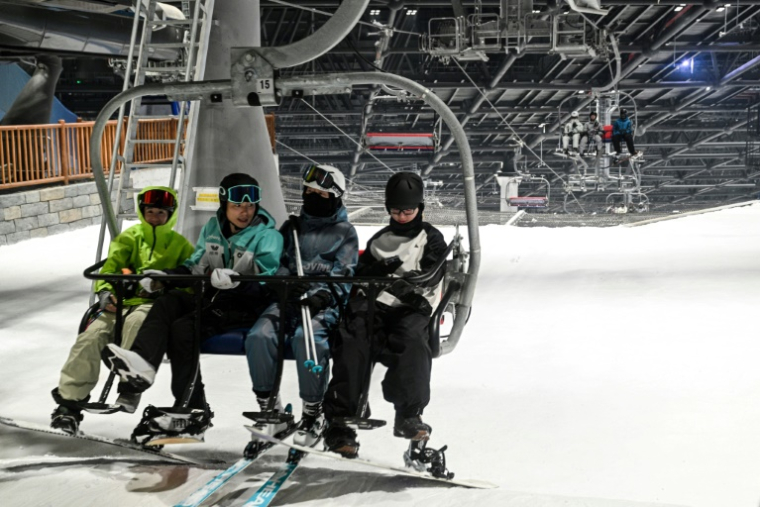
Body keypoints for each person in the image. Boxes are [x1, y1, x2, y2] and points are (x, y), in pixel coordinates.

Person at [101, 173, 283, 443]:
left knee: (183, 329)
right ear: (224, 204)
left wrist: (239, 282)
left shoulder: (267, 236)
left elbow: (269, 281)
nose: (245, 212)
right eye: (237, 206)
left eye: (250, 206)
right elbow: (194, 267)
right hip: (212, 298)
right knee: (167, 302)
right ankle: (143, 365)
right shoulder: (212, 228)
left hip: (247, 305)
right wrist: (164, 278)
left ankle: (192, 405)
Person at [321, 172, 447, 458]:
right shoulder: (381, 239)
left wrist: (409, 280)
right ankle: (341, 420)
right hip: (374, 305)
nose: (402, 217)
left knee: (412, 341)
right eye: (395, 211)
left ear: (419, 208)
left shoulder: (431, 237)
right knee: (353, 339)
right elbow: (360, 271)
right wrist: (373, 271)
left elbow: (434, 269)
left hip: (411, 307)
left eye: (408, 211)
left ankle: (408, 414)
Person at [50, 187, 194, 434]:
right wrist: (107, 293)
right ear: (142, 212)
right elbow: (110, 269)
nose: (155, 218)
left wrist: (163, 289)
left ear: (170, 215)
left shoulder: (179, 246)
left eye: (161, 213)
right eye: (150, 212)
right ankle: (69, 405)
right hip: (118, 304)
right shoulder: (129, 238)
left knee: (136, 325)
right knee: (90, 337)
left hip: (151, 306)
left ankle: (130, 388)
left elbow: (188, 280)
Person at [245, 164, 358, 447]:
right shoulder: (293, 227)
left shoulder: (345, 231)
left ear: (333, 197)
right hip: (289, 299)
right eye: (308, 192)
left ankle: (312, 412)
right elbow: (279, 264)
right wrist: (283, 284)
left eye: (319, 193)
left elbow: (344, 274)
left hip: (322, 304)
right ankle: (270, 409)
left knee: (306, 340)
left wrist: (324, 295)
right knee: (259, 336)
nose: (311, 197)